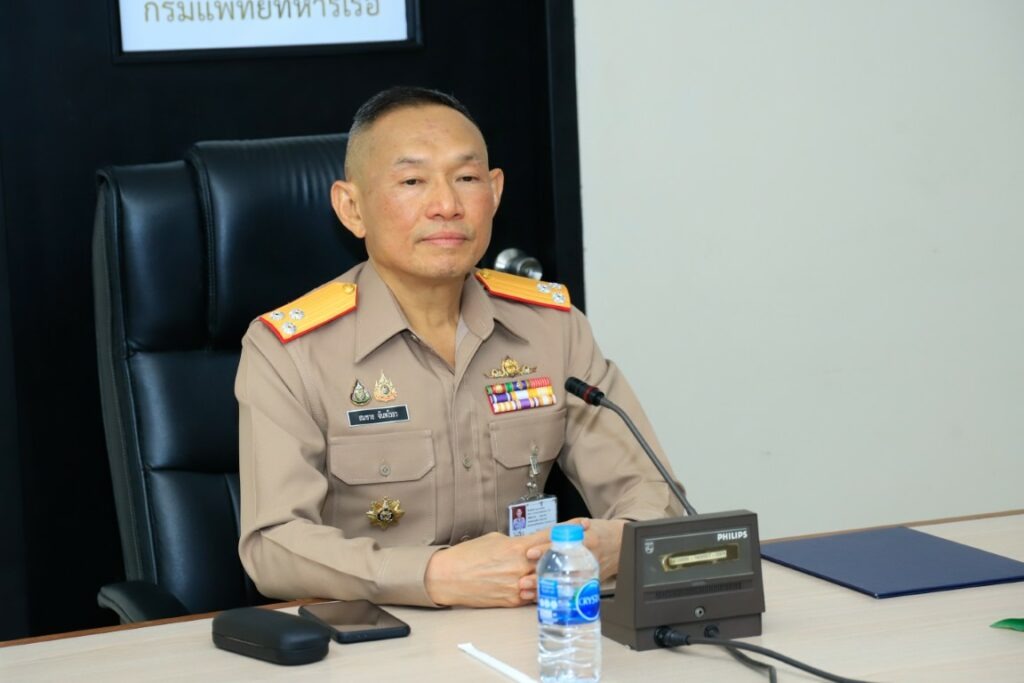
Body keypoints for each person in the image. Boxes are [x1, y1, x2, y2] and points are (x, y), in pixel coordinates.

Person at [236, 86, 683, 609]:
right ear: (352, 208)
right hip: (379, 634)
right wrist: (432, 576)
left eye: (466, 179)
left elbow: (653, 496)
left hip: (529, 624)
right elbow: (274, 545)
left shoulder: (552, 328)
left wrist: (614, 543)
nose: (447, 206)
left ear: (494, 193)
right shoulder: (290, 351)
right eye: (412, 181)